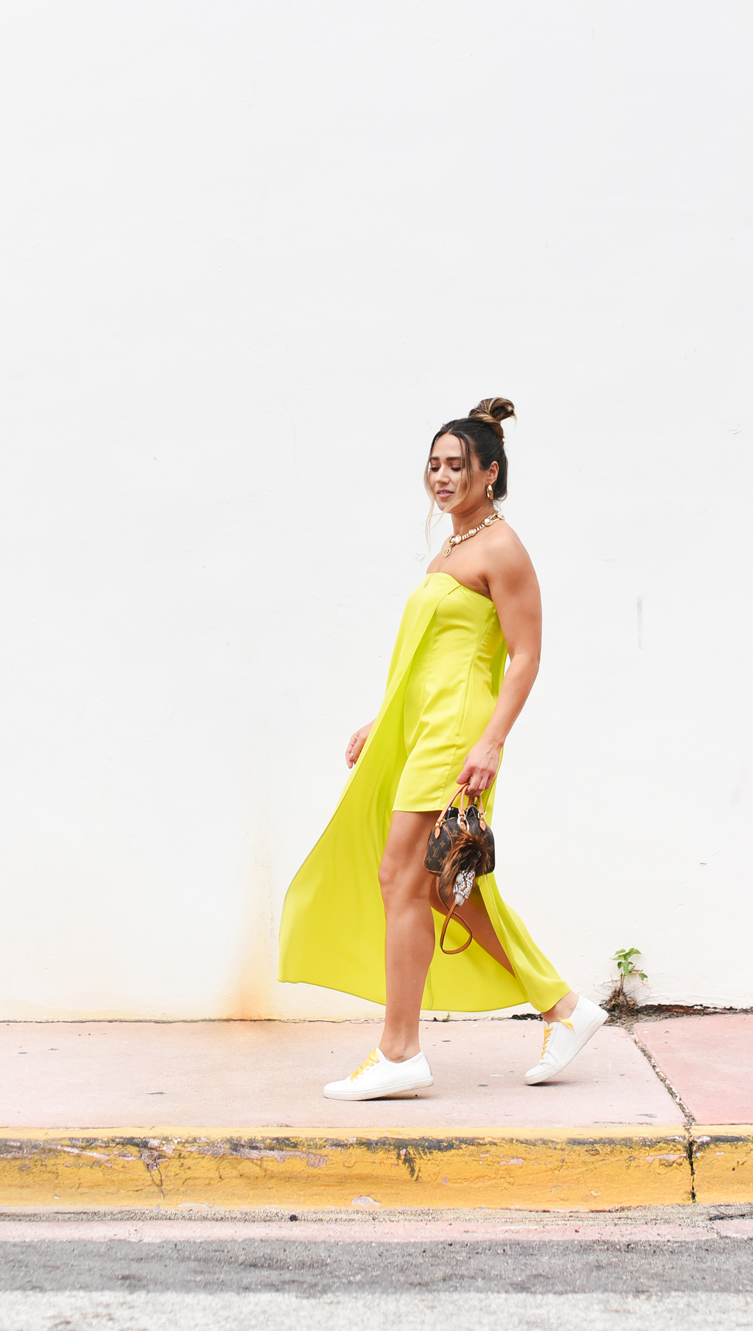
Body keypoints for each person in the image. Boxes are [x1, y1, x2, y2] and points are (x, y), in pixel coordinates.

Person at [278, 398, 608, 1101]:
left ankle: (400, 1052)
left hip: (459, 731)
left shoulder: (501, 547)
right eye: (433, 464)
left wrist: (491, 740)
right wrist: (382, 719)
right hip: (424, 728)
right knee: (434, 884)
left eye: (457, 465)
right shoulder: (450, 552)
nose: (441, 475)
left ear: (490, 473)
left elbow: (524, 656)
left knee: (400, 876)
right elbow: (430, 656)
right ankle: (563, 1009)